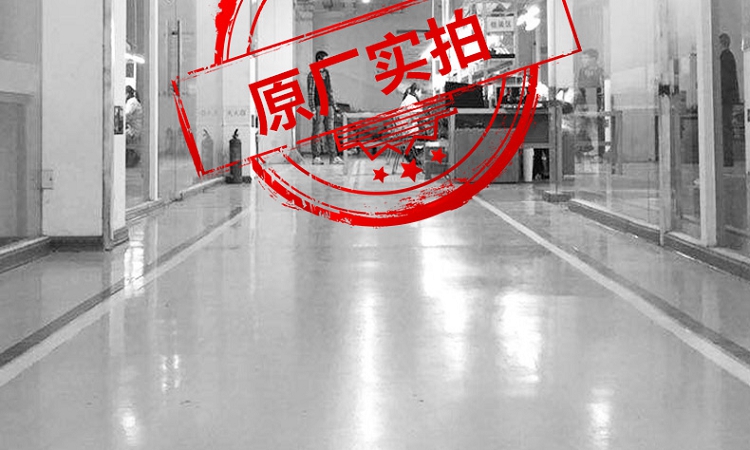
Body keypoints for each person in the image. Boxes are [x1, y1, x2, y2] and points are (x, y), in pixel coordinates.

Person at [307, 50, 342, 165]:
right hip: (318, 106)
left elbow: (329, 90)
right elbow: (311, 92)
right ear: (319, 60)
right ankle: (316, 156)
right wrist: (312, 108)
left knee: (330, 131)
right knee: (317, 131)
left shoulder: (326, 73)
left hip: (328, 105)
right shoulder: (312, 74)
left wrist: (334, 106)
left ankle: (334, 156)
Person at [576, 48, 605, 159]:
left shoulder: (600, 72)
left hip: (595, 103)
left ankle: (599, 152)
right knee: (584, 127)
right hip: (584, 103)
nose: (583, 60)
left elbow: (602, 90)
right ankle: (586, 149)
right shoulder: (581, 72)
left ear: (593, 59)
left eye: (586, 58)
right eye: (582, 58)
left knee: (596, 127)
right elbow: (579, 87)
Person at [719, 33, 740, 167]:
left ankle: (727, 158)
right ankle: (727, 157)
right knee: (726, 128)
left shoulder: (724, 57)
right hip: (728, 99)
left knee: (725, 128)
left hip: (725, 99)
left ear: (721, 44)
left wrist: (718, 96)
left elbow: (725, 80)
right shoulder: (729, 56)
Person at [400, 83, 424, 165]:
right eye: (421, 92)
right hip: (408, 129)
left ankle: (413, 153)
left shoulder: (409, 98)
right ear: (416, 91)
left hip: (405, 127)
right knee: (429, 135)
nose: (421, 94)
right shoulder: (411, 99)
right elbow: (416, 115)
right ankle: (412, 154)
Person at [125, 85, 143, 167]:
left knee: (116, 138)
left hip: (134, 131)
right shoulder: (133, 101)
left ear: (127, 94)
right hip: (134, 129)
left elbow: (126, 114)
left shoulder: (132, 102)